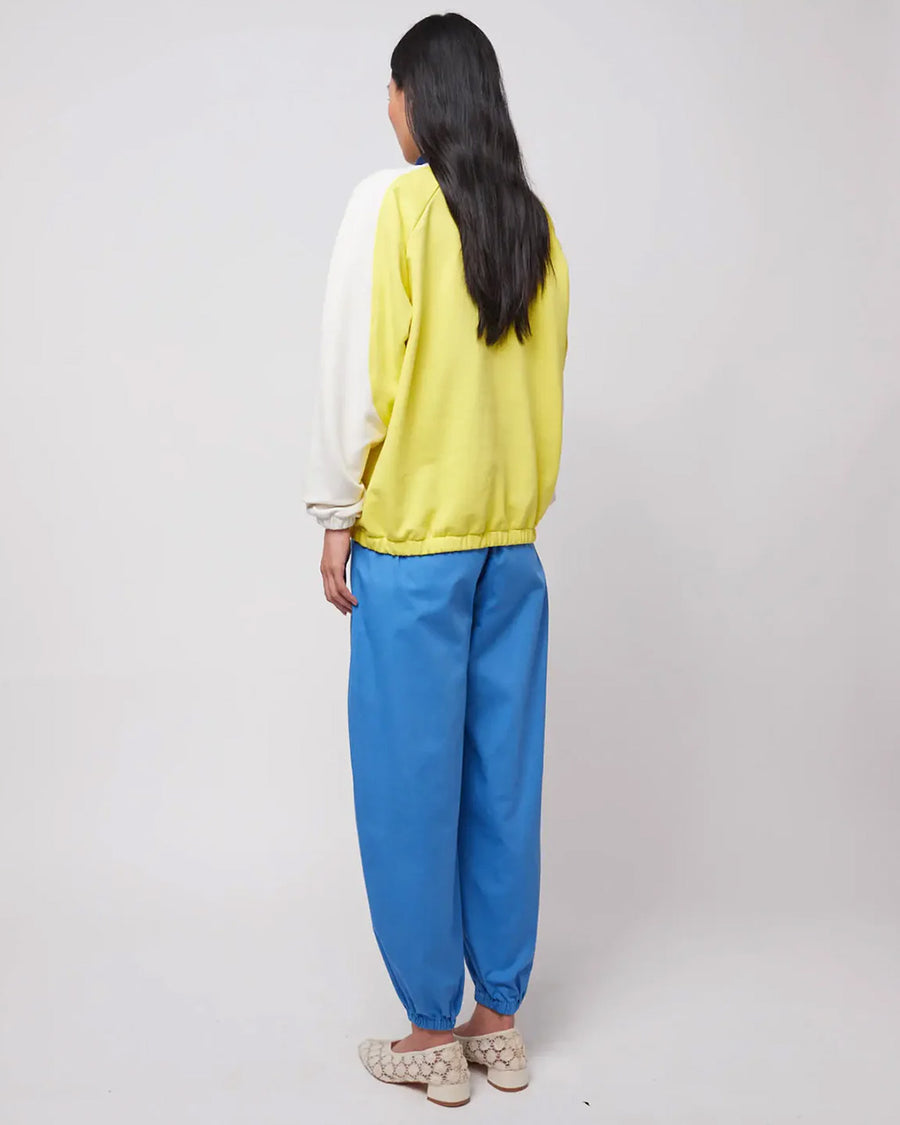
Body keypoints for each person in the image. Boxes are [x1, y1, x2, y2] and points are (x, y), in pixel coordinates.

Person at [302, 12, 569, 1107]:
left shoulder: (395, 205)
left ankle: (429, 1034)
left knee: (410, 786)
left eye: (393, 86)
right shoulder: (532, 228)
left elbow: (356, 368)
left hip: (415, 546)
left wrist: (336, 510)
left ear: (422, 96)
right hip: (511, 552)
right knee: (503, 782)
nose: (387, 106)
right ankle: (497, 1022)